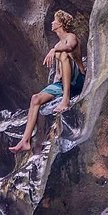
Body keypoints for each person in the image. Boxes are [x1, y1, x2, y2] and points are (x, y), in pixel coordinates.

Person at [9, 10, 85, 153]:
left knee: (63, 55)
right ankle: (25, 140)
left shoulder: (71, 37)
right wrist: (54, 83)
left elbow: (69, 48)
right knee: (35, 99)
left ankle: (65, 100)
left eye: (54, 20)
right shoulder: (57, 44)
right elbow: (58, 73)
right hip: (63, 83)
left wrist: (53, 50)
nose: (52, 23)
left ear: (61, 24)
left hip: (77, 80)